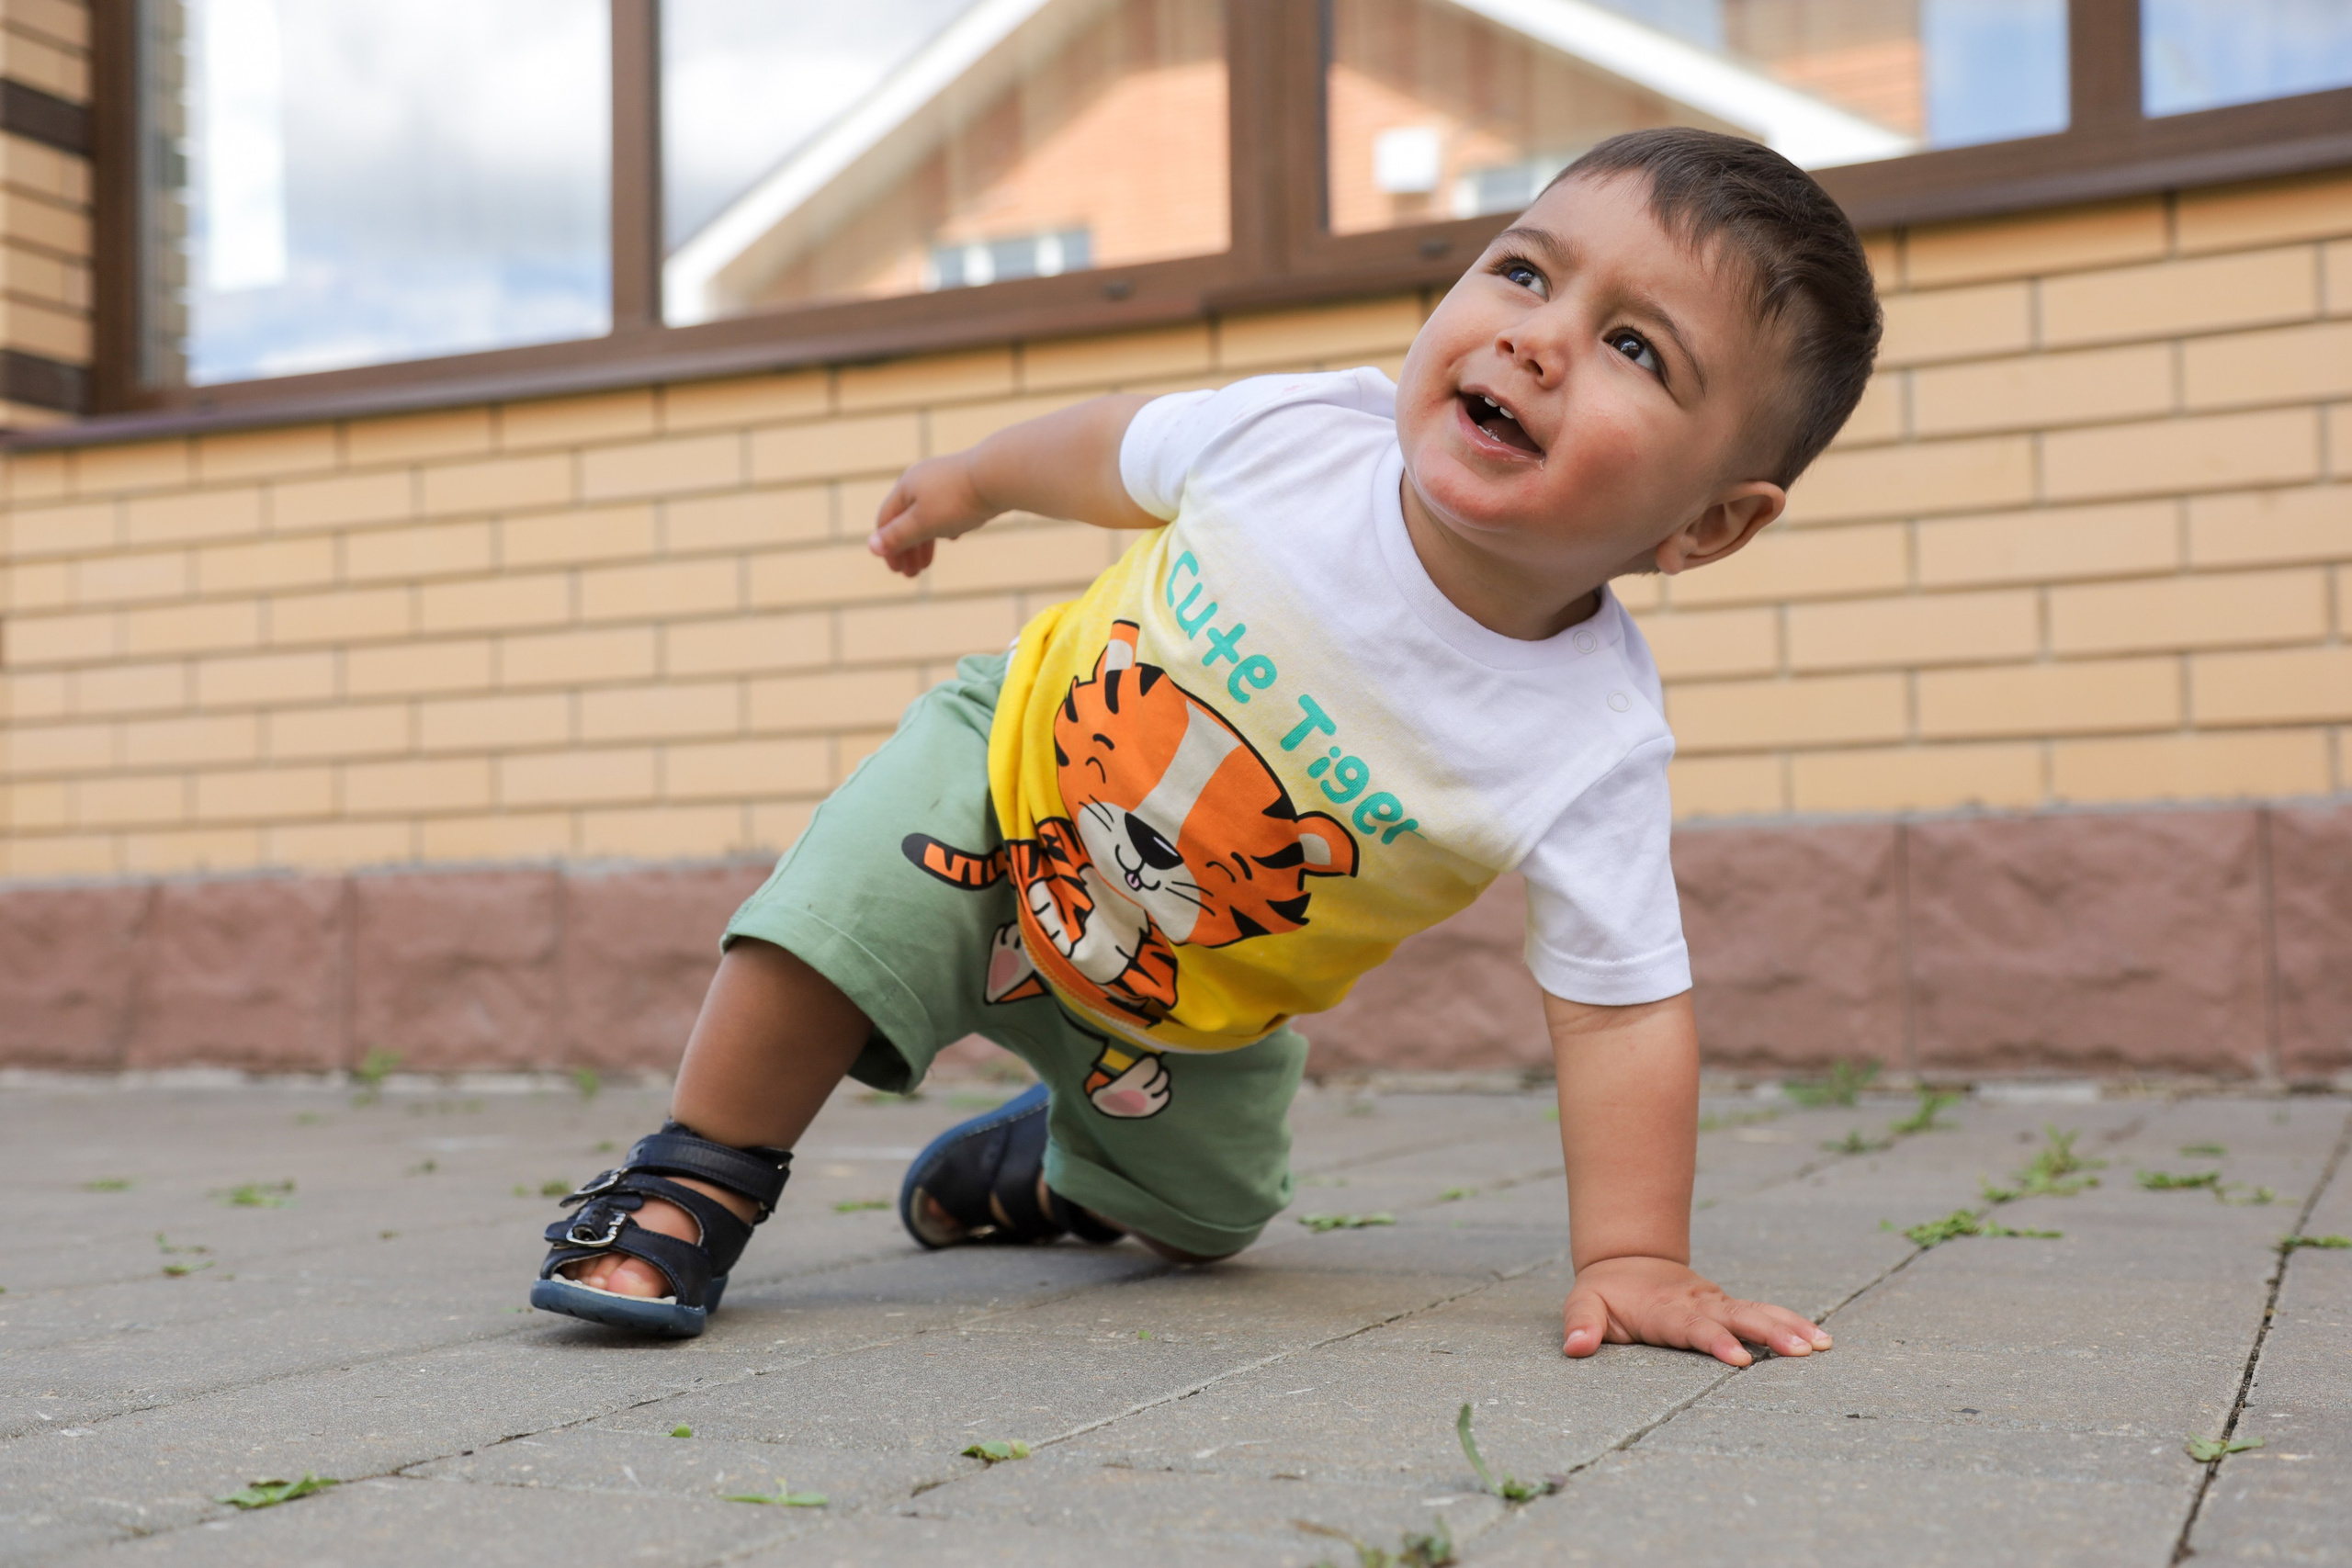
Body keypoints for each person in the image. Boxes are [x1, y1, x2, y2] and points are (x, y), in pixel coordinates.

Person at [530, 127, 1879, 1368]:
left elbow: (1622, 1009)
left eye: (1636, 349)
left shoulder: (1585, 743)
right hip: (1001, 787)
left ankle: (1051, 1174)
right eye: (1525, 273)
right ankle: (697, 1177)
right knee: (830, 926)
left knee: (1211, 1223)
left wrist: (1636, 1255)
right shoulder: (1301, 441)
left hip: (1187, 1000)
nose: (1541, 341)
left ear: (1709, 525)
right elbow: (1114, 450)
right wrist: (975, 483)